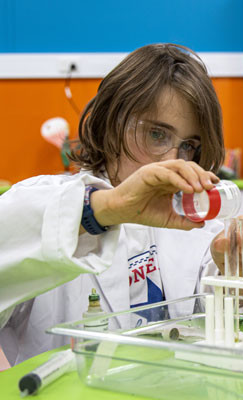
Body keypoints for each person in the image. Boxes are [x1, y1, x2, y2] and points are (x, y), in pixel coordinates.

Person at [0, 43, 229, 365]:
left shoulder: (192, 224)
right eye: (156, 134)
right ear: (112, 123)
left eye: (188, 146)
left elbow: (216, 323)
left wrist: (235, 274)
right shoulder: (43, 201)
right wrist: (108, 208)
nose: (172, 160)